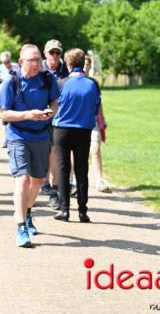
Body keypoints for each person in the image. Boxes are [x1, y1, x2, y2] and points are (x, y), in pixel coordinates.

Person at [0, 44, 59, 247]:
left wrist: (50, 112)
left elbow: (54, 103)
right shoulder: (11, 81)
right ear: (21, 61)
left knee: (38, 181)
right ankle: (21, 226)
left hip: (41, 135)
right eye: (31, 60)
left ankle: (27, 211)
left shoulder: (48, 79)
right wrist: (28, 115)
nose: (36, 64)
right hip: (18, 135)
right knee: (22, 179)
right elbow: (4, 113)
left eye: (38, 59)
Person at [52, 48, 101, 223]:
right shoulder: (92, 84)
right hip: (83, 130)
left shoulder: (61, 83)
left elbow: (54, 107)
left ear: (68, 63)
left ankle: (64, 210)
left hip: (62, 130)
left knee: (63, 170)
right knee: (82, 170)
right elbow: (96, 107)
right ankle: (82, 211)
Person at [40, 39, 69, 197]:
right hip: (40, 115)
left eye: (58, 52)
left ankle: (54, 185)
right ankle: (43, 182)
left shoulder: (65, 70)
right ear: (45, 53)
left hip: (59, 116)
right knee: (42, 151)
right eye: (52, 52)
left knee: (55, 151)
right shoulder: (39, 68)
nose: (55, 56)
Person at [84, 55, 111, 193]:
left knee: (95, 149)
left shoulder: (93, 83)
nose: (86, 68)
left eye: (88, 65)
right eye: (84, 64)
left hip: (93, 120)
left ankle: (99, 180)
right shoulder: (71, 80)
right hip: (77, 122)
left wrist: (102, 118)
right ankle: (73, 180)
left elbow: (98, 102)